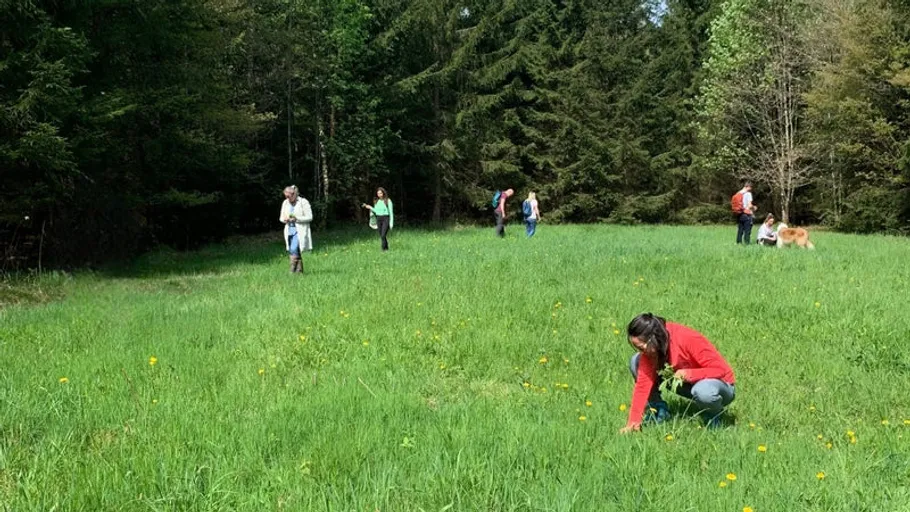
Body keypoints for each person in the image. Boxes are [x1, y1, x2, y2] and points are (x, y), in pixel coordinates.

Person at [619, 313, 736, 433]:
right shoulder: (651, 349)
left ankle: (713, 417)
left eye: (641, 348)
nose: (641, 352)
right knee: (636, 361)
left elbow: (720, 370)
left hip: (720, 386)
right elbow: (643, 385)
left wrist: (690, 374)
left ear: (653, 339)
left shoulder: (686, 338)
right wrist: (633, 422)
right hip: (687, 384)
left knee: (703, 390)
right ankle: (659, 410)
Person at [279, 185, 313, 273]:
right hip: (289, 231)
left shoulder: (303, 202)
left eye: (288, 196)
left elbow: (310, 217)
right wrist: (285, 219)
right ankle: (299, 272)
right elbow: (281, 218)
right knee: (294, 250)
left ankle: (292, 271)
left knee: (294, 249)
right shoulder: (285, 203)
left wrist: (296, 219)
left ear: (293, 194)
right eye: (285, 196)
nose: (287, 198)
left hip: (300, 231)